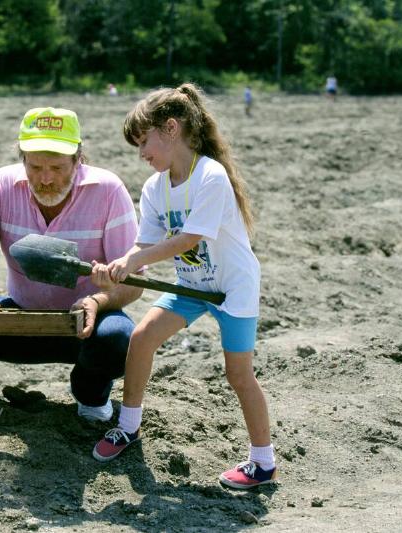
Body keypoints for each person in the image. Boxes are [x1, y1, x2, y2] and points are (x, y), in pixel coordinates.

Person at [89, 83, 276, 490]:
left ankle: (263, 462)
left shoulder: (210, 175)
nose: (141, 153)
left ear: (170, 128)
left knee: (238, 374)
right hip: (191, 286)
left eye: (144, 142)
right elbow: (143, 244)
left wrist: (134, 261)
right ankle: (129, 427)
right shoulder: (155, 188)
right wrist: (118, 269)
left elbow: (189, 239)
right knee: (141, 338)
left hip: (233, 288)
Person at [0, 107, 143, 423]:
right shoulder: (2, 184)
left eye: (57, 167)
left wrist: (97, 300)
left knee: (120, 339)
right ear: (22, 158)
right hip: (19, 316)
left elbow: (133, 282)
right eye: (35, 166)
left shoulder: (109, 190)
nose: (45, 178)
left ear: (78, 160)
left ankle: (89, 394)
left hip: (85, 324)